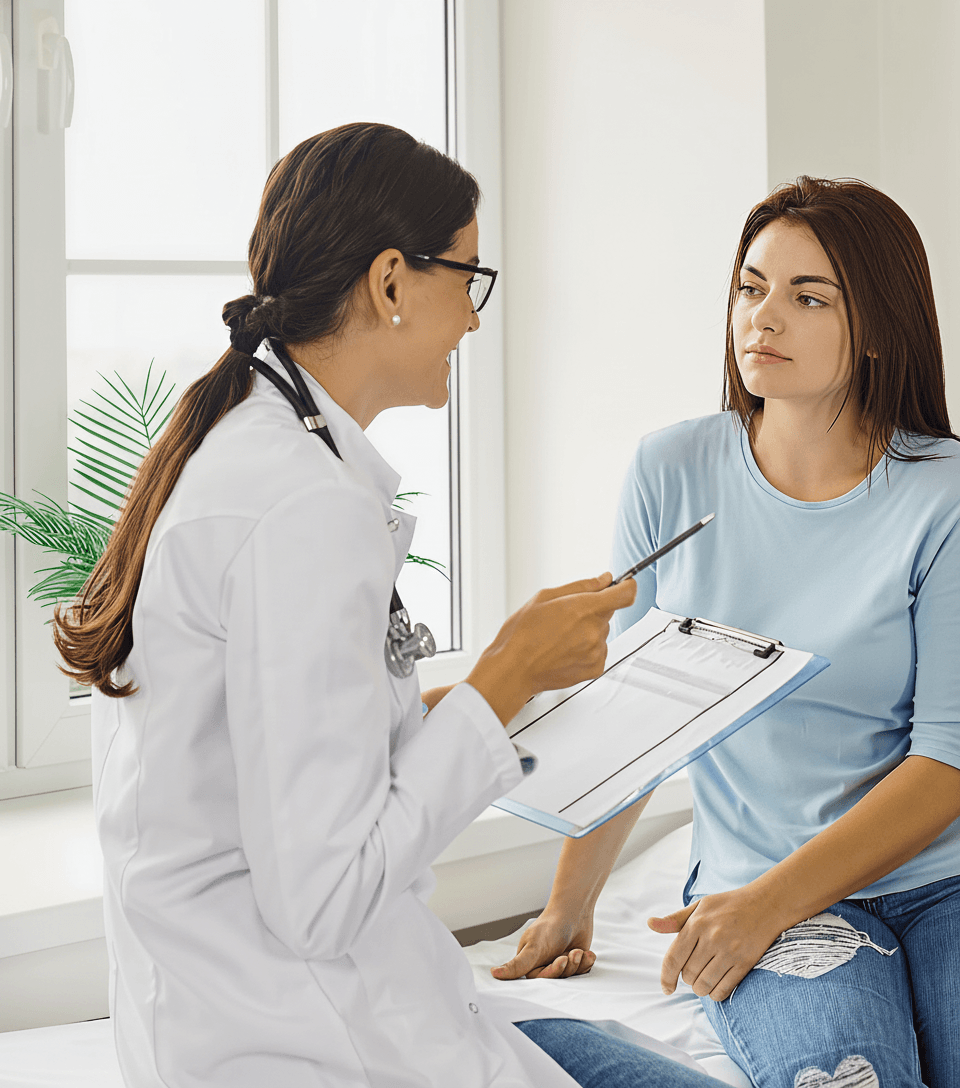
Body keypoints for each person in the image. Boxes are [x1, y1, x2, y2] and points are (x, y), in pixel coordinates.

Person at [53, 123, 728, 1088]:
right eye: (469, 278)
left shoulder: (258, 446)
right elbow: (323, 899)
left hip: (273, 1017)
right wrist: (503, 680)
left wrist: (519, 685)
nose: (476, 320)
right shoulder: (301, 505)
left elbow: (308, 752)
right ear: (391, 283)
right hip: (310, 1043)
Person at [492, 177, 960, 1088]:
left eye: (806, 296)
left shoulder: (943, 495)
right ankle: (554, 1050)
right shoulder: (672, 468)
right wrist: (566, 909)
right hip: (765, 888)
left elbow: (946, 764)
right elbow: (633, 714)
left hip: (941, 883)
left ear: (875, 329)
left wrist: (763, 906)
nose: (763, 318)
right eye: (750, 289)